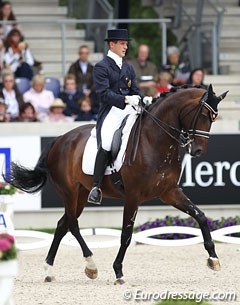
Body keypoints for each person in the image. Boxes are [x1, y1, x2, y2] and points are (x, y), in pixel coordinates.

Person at [88, 29, 152, 205]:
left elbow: (135, 90)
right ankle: (96, 186)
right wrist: (124, 98)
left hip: (130, 108)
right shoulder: (101, 67)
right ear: (112, 44)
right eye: (122, 43)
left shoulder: (128, 67)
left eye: (126, 43)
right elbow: (103, 94)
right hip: (110, 110)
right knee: (107, 142)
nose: (126, 47)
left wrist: (142, 97)